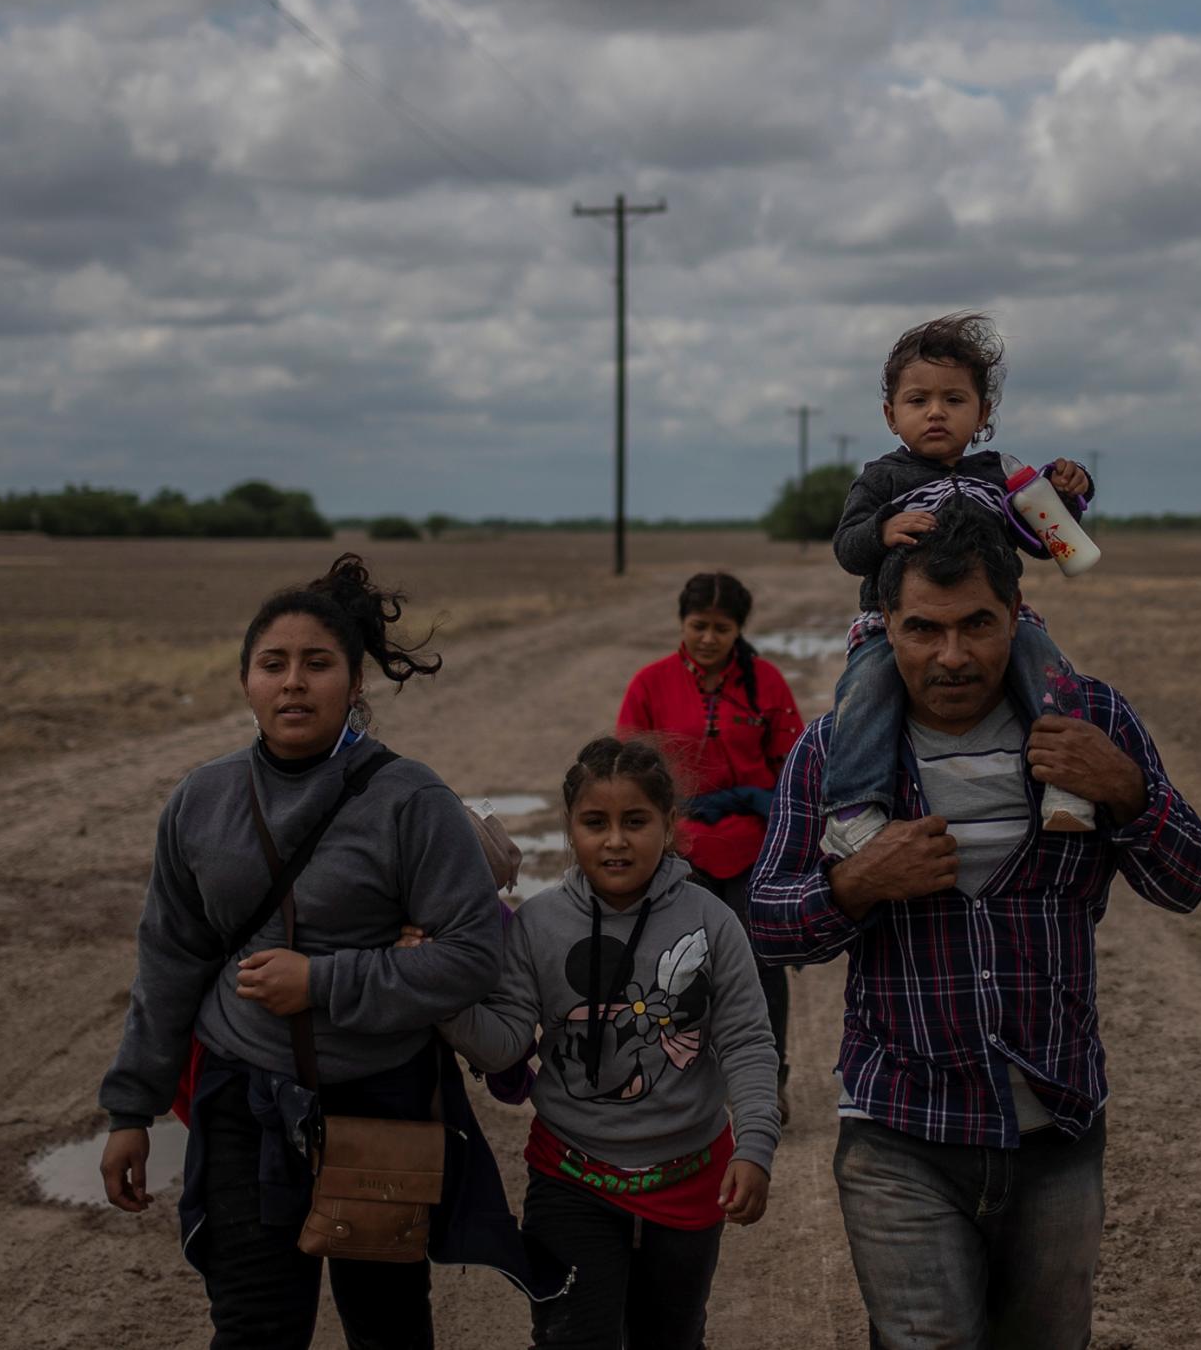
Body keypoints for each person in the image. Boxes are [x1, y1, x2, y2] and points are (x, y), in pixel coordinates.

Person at [749, 507, 1201, 1350]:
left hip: (1058, 1134)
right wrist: (857, 883)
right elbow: (771, 928)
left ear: (1018, 616)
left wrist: (1129, 792)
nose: (952, 656)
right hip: (899, 1135)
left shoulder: (1089, 726)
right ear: (882, 627)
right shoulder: (834, 754)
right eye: (923, 629)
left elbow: (1188, 880)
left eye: (978, 626)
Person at [96, 553, 559, 1349]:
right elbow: (168, 960)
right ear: (246, 681)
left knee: (386, 1328)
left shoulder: (410, 798)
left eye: (318, 664)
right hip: (245, 1105)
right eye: (273, 664)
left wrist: (324, 980)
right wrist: (128, 1110)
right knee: (253, 1329)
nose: (294, 682)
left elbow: (472, 954)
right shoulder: (201, 802)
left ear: (354, 684)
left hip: (380, 1106)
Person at [434, 736, 781, 1350]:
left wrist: (754, 1144)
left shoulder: (711, 920)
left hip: (693, 1172)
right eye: (596, 823)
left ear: (671, 826)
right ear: (571, 830)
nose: (615, 840)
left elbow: (749, 1039)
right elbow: (506, 1044)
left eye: (636, 822)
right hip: (572, 1177)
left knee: (671, 1337)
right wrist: (439, 994)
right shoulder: (538, 925)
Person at [824, 311, 1097, 859]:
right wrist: (881, 530)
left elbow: (1050, 543)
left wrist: (1070, 494)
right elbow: (847, 549)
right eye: (918, 400)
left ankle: (1066, 782)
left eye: (953, 400)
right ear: (890, 414)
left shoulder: (999, 475)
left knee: (1047, 668)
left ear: (983, 414)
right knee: (866, 690)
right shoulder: (883, 479)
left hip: (996, 618)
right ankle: (853, 809)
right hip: (895, 624)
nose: (935, 413)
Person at [615, 571, 805, 1118]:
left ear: (738, 629)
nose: (708, 638)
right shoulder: (650, 684)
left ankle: (768, 1083)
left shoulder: (766, 683)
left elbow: (793, 771)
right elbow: (629, 773)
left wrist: (784, 833)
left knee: (759, 961)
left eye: (721, 628)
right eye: (699, 626)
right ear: (682, 623)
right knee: (676, 965)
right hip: (679, 848)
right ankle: (679, 1082)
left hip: (754, 846)